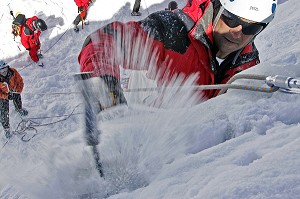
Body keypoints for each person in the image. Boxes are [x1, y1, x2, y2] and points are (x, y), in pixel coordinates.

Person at [78, 0, 277, 109]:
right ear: (216, 8)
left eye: (251, 28)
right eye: (231, 20)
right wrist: (104, 89)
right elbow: (103, 41)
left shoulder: (248, 61)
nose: (238, 33)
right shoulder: (171, 32)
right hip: (148, 143)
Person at [0, 60, 28, 139]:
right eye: (1, 70)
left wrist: (17, 91)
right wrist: (6, 96)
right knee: (3, 111)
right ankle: (6, 128)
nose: (4, 72)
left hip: (14, 90)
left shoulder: (13, 72)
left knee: (17, 98)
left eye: (5, 69)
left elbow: (20, 82)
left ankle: (19, 109)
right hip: (3, 95)